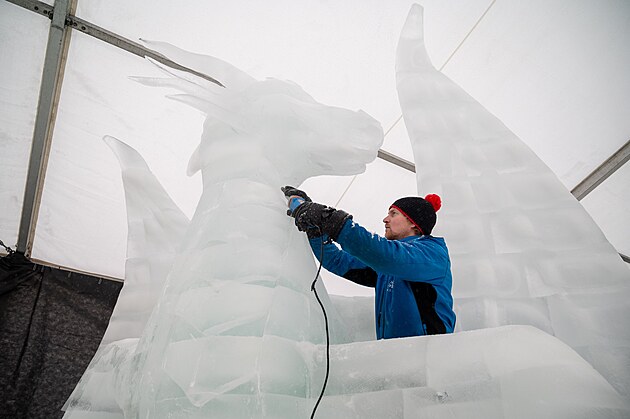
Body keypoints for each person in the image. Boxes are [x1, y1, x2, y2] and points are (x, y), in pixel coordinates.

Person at [282, 186, 455, 339]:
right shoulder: (387, 266)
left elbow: (386, 254)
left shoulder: (432, 254)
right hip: (396, 355)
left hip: (428, 357)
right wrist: (315, 229)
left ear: (414, 224)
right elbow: (338, 261)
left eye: (393, 214)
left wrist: (328, 218)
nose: (385, 219)